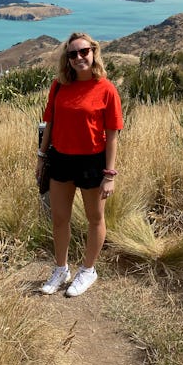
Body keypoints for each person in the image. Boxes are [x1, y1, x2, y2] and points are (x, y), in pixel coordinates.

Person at [36, 32, 123, 297]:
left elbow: (112, 135)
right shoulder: (59, 86)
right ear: (67, 59)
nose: (78, 57)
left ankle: (88, 270)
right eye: (72, 54)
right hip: (61, 158)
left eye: (83, 51)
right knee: (59, 218)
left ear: (94, 52)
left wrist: (109, 174)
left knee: (94, 218)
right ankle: (61, 268)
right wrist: (41, 158)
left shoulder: (106, 89)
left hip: (92, 163)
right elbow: (49, 123)